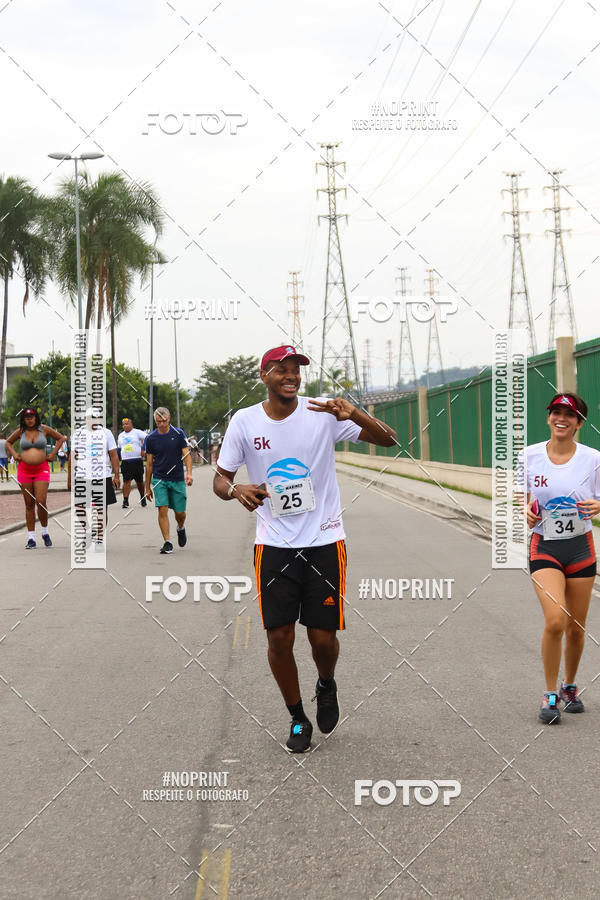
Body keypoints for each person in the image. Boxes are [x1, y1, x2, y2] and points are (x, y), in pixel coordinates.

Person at [213, 345, 397, 753]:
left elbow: (390, 440)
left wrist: (355, 414)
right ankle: (297, 717)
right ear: (265, 375)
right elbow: (220, 480)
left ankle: (326, 683)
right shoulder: (244, 421)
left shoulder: (322, 413)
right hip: (274, 544)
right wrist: (236, 488)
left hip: (325, 540)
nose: (291, 375)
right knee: (279, 637)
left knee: (321, 638)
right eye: (282, 369)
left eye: (296, 369)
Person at [519, 393, 600, 724]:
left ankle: (569, 686)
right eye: (556, 412)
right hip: (545, 547)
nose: (561, 418)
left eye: (570, 414)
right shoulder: (530, 456)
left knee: (576, 627)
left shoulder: (593, 458)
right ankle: (550, 692)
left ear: (580, 422)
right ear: (548, 417)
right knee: (555, 620)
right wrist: (526, 511)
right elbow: (526, 502)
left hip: (581, 548)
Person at [5, 407, 67, 548]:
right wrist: (14, 454)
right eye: (27, 418)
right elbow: (8, 442)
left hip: (41, 470)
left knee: (41, 501)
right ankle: (31, 538)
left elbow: (61, 438)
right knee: (29, 504)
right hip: (24, 471)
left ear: (36, 417)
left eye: (31, 417)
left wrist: (53, 454)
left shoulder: (44, 429)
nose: (29, 420)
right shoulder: (20, 431)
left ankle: (45, 532)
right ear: (23, 419)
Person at [68, 408, 120, 546]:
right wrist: (70, 478)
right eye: (90, 418)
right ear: (85, 419)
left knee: (101, 508)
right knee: (79, 506)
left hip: (102, 476)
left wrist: (116, 475)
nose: (93, 421)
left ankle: (100, 538)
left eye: (95, 418)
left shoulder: (106, 433)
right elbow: (72, 456)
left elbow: (113, 455)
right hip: (82, 475)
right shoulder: (78, 433)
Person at [144, 407, 193, 554]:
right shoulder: (151, 439)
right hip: (160, 479)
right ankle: (167, 542)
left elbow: (187, 455)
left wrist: (189, 473)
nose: (161, 424)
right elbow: (149, 464)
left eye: (164, 421)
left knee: (180, 513)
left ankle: (180, 527)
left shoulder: (178, 434)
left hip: (177, 478)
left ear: (169, 419)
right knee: (162, 509)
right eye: (158, 422)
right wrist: (147, 487)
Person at [117, 417, 147, 509]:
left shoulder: (137, 432)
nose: (125, 426)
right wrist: (118, 459)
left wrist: (143, 449)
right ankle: (125, 501)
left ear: (131, 424)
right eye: (123, 424)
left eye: (127, 424)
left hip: (137, 461)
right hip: (126, 462)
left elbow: (148, 438)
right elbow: (119, 448)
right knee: (126, 481)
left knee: (139, 482)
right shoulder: (120, 435)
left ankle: (142, 497)